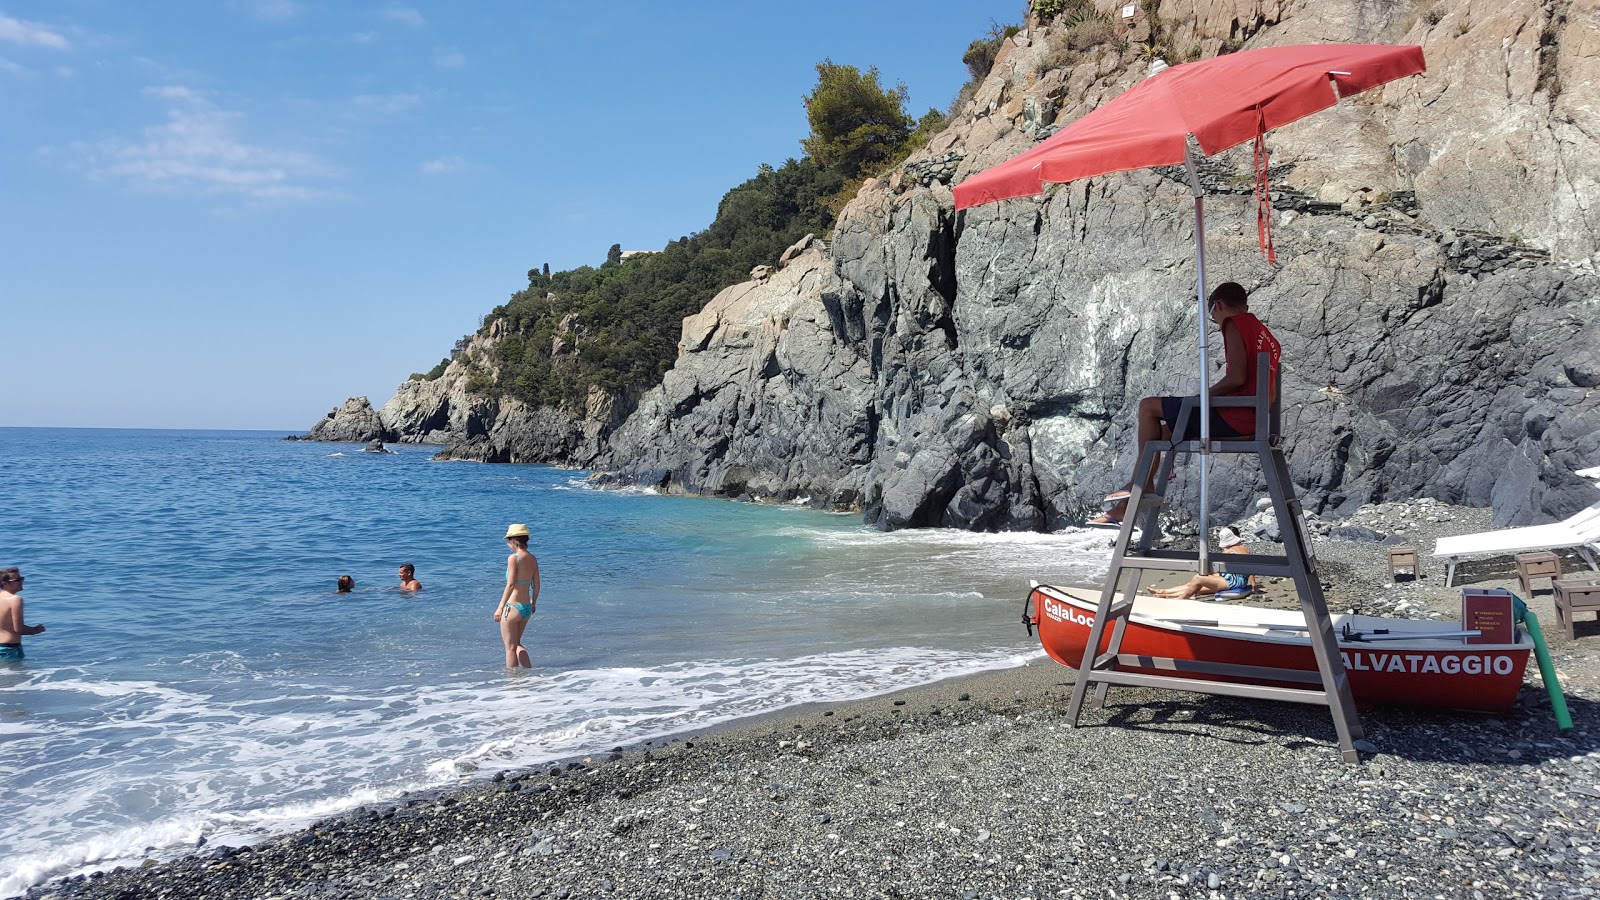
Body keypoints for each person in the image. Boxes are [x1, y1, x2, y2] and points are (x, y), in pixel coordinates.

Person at [1090, 282, 1281, 528]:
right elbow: (1269, 395)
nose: (1214, 319)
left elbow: (1237, 378)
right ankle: (1123, 508)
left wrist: (1201, 397)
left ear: (1219, 305)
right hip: (1253, 420)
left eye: (1212, 313)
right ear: (1245, 305)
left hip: (1236, 419)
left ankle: (1141, 483)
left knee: (1148, 406)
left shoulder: (1234, 324)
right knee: (1164, 433)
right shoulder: (1269, 338)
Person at [1149, 528, 1256, 599]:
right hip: (1239, 581)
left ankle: (1180, 598)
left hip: (1232, 582)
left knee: (1198, 578)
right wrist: (1254, 586)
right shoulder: (1244, 549)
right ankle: (1164, 592)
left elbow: (1217, 568)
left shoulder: (1229, 551)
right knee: (1194, 585)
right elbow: (1250, 570)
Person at [492, 523, 539, 669]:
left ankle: (512, 682)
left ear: (513, 540)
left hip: (512, 608)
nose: (507, 544)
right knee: (517, 643)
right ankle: (528, 675)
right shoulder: (532, 558)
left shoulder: (514, 558)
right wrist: (533, 603)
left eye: (508, 541)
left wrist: (500, 608)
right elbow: (537, 585)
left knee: (510, 648)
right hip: (526, 608)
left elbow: (511, 584)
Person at [0, 567, 44, 662]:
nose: (21, 581)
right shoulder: (15, 599)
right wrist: (36, 630)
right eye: (17, 580)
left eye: (21, 578)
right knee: (15, 676)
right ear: (4, 584)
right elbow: (18, 629)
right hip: (9, 649)